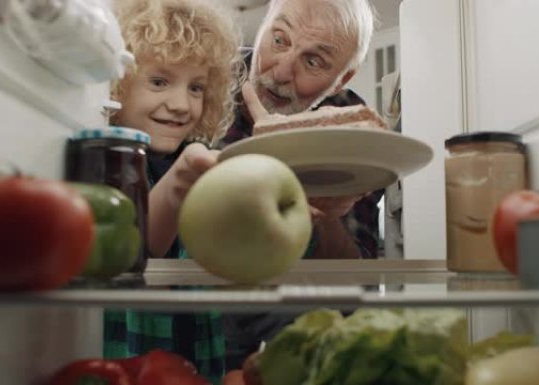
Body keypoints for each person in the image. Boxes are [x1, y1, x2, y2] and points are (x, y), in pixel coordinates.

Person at [218, 0, 382, 370]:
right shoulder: (204, 78)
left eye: (313, 62)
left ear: (342, 79)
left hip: (290, 314)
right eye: (279, 39)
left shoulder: (351, 126)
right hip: (196, 304)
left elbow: (355, 282)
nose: (281, 71)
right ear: (262, 28)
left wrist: (323, 213)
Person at [102, 0, 242, 383]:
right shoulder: (106, 159)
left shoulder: (196, 160)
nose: (182, 105)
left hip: (198, 363)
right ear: (116, 79)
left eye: (197, 87)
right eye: (159, 81)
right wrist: (183, 177)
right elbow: (137, 247)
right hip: (128, 362)